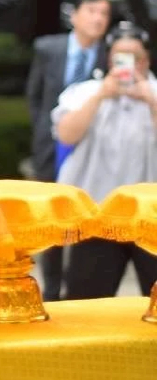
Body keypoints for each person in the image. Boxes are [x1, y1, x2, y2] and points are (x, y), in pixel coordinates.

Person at [53, 22, 157, 299]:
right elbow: (66, 134)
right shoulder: (85, 92)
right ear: (109, 58)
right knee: (85, 301)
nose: (128, 64)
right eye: (120, 56)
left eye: (134, 57)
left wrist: (153, 101)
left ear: (146, 60)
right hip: (99, 215)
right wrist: (100, 96)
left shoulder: (155, 93)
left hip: (153, 218)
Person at [25, 0, 111, 300]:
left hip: (91, 151)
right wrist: (42, 132)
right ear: (74, 15)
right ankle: (50, 289)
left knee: (86, 216)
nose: (98, 18)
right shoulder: (49, 49)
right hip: (50, 148)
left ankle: (80, 288)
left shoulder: (111, 55)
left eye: (104, 13)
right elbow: (35, 95)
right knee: (52, 218)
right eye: (92, 11)